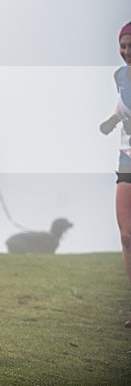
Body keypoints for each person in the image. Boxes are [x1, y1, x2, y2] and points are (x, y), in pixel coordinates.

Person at [99, 22, 131, 289]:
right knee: (126, 236)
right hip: (127, 160)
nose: (127, 51)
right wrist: (112, 120)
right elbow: (123, 104)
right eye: (123, 46)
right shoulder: (119, 76)